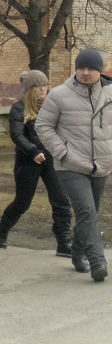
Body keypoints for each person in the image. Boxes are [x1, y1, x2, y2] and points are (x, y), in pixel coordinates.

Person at [36, 48, 112, 281]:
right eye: (81, 68)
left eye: (90, 68)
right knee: (86, 210)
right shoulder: (59, 95)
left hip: (102, 164)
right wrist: (62, 152)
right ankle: (97, 260)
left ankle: (77, 252)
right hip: (71, 165)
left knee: (91, 212)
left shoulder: (109, 95)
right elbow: (43, 126)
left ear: (99, 71)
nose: (85, 72)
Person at [0, 70, 72, 256]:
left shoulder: (53, 106)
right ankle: (0, 233)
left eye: (45, 85)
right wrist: (33, 151)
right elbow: (17, 135)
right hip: (27, 162)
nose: (43, 89)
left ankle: (64, 243)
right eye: (38, 86)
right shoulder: (19, 108)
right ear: (30, 89)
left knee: (61, 201)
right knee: (22, 203)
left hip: (51, 161)